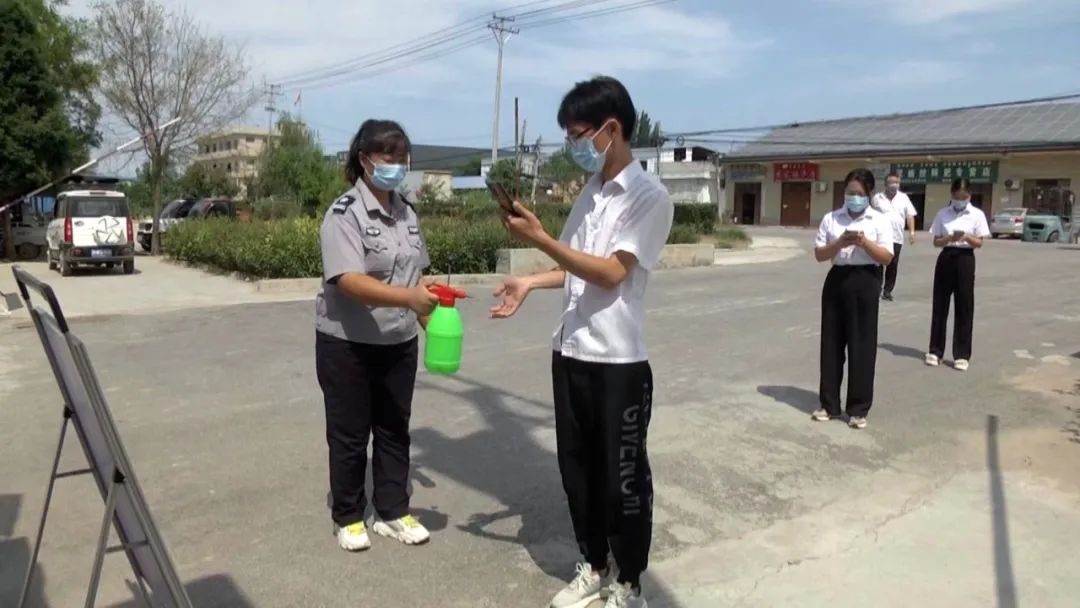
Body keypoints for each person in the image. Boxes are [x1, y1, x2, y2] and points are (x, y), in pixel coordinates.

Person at [491, 76, 672, 608]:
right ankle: (594, 564)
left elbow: (613, 272)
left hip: (616, 361)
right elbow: (573, 266)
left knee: (622, 480)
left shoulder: (648, 197)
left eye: (578, 135)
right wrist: (530, 279)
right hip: (570, 353)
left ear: (611, 130)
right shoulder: (591, 195)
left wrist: (541, 240)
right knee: (577, 473)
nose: (573, 147)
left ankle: (631, 581)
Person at [315, 119, 441, 552]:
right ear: (364, 160)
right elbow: (347, 280)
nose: (395, 165)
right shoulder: (343, 214)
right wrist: (408, 298)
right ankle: (348, 515)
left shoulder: (407, 212)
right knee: (349, 432)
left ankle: (392, 511)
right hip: (346, 343)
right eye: (386, 156)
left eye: (401, 157)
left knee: (394, 428)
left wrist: (433, 321)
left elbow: (415, 272)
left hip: (398, 341)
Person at [812, 168, 894, 429]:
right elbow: (819, 254)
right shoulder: (832, 218)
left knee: (862, 346)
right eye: (850, 192)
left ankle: (858, 409)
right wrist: (839, 243)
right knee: (832, 345)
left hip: (866, 281)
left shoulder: (879, 220)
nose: (853, 197)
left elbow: (886, 257)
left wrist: (863, 243)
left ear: (869, 195)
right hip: (837, 280)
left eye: (859, 194)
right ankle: (829, 404)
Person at [925, 178, 991, 371]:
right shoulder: (942, 213)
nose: (960, 200)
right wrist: (948, 238)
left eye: (964, 197)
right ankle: (935, 351)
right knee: (940, 305)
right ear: (951, 195)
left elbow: (979, 243)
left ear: (969, 195)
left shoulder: (976, 214)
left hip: (965, 259)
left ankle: (962, 354)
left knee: (964, 306)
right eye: (956, 196)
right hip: (946, 257)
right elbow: (936, 242)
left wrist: (966, 236)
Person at [871, 171, 918, 301]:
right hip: (879, 237)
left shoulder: (904, 198)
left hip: (896, 237)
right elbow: (870, 216)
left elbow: (910, 215)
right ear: (885, 184)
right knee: (878, 263)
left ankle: (887, 291)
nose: (894, 185)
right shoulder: (877, 198)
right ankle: (876, 288)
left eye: (896, 182)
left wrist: (912, 232)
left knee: (892, 265)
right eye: (891, 182)